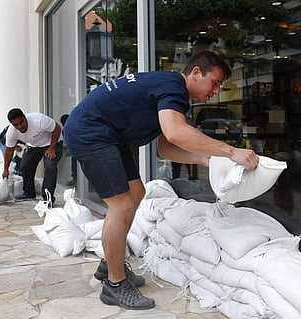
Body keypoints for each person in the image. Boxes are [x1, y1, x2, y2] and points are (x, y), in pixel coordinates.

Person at [63, 50, 259, 310]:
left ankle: (111, 264)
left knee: (136, 193)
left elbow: (166, 147)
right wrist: (231, 151)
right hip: (91, 132)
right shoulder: (174, 87)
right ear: (196, 73)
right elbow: (176, 132)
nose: (216, 90)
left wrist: (205, 160)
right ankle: (115, 285)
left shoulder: (169, 89)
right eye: (215, 82)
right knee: (121, 205)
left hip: (108, 134)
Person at [1, 108, 63, 204]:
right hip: (34, 146)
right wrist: (5, 169)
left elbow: (57, 128)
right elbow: (9, 151)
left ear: (25, 117)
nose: (20, 126)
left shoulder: (39, 120)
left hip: (52, 143)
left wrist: (52, 148)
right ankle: (29, 192)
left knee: (50, 166)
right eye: (16, 125)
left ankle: (48, 199)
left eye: (21, 122)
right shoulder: (11, 132)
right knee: (25, 166)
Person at [60, 114, 77, 186]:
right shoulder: (66, 129)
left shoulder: (74, 127)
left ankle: (76, 179)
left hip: (77, 149)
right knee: (75, 164)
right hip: (75, 150)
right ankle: (75, 179)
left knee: (76, 165)